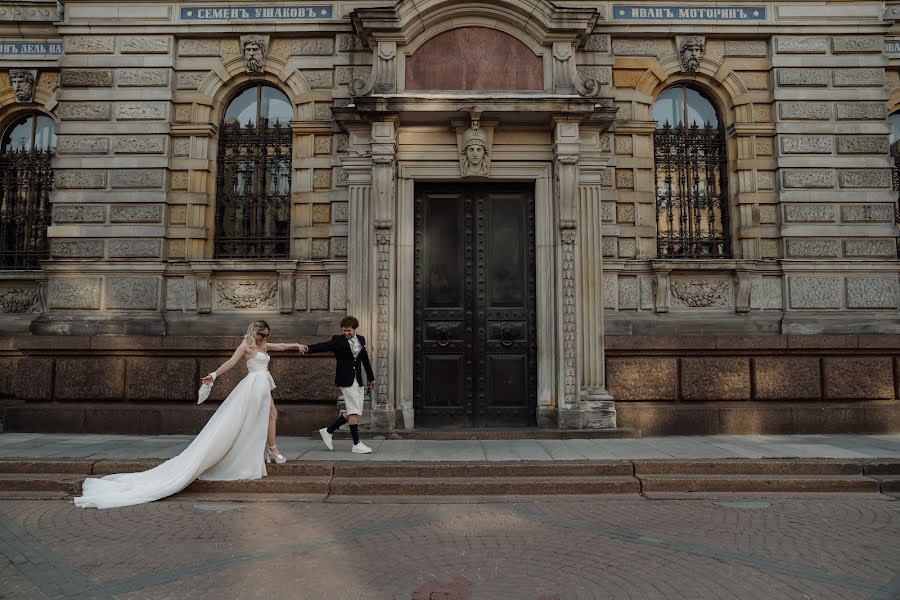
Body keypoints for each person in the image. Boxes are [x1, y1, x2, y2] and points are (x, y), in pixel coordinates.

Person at [73, 321, 301, 509]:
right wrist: (213, 374)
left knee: (271, 415)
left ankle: (272, 450)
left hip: (263, 384)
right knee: (253, 420)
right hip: (252, 386)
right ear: (255, 332)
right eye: (263, 334)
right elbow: (230, 363)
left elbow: (280, 346)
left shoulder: (264, 346)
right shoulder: (246, 346)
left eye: (267, 335)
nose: (265, 337)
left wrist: (296, 345)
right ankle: (270, 450)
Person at [300, 316, 376, 454]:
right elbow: (324, 346)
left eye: (349, 331)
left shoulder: (361, 340)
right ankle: (356, 444)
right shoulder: (338, 340)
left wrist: (371, 378)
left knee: (355, 410)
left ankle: (328, 431)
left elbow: (365, 359)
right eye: (344, 330)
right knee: (353, 412)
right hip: (345, 379)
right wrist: (308, 348)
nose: (346, 333)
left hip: (357, 379)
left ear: (355, 329)